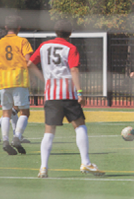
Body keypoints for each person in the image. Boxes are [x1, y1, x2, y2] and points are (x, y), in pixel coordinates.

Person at [27, 19, 105, 178]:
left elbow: (29, 64)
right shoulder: (70, 47)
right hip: (67, 94)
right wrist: (80, 92)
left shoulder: (43, 46)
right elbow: (74, 70)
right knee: (80, 126)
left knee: (49, 131)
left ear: (55, 32)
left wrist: (43, 79)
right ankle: (86, 162)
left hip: (51, 95)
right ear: (70, 33)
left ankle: (43, 167)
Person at [0, 15, 33, 155]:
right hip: (19, 80)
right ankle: (17, 136)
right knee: (24, 112)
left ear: (6, 27)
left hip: (3, 81)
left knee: (6, 113)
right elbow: (28, 61)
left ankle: (5, 140)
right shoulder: (23, 41)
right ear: (19, 27)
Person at [0, 30, 30, 144]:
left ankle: (14, 134)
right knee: (14, 109)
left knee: (10, 108)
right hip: (6, 80)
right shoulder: (0, 50)